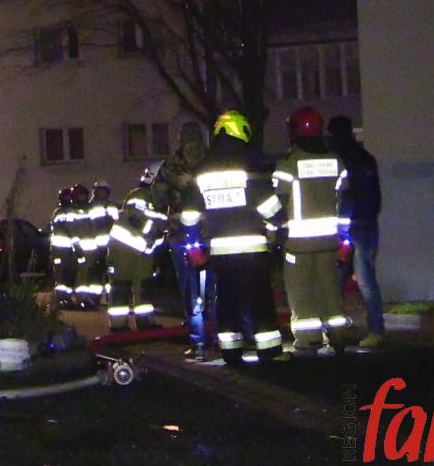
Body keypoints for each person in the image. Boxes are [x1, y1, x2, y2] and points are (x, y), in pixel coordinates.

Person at [180, 111, 284, 365]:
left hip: (220, 251)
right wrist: (278, 227)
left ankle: (230, 351)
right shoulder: (249, 165)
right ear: (241, 131)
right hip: (253, 248)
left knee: (227, 300)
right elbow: (270, 208)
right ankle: (269, 350)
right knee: (259, 299)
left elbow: (189, 216)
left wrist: (194, 247)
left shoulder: (201, 169)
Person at [272, 106, 352, 357]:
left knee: (301, 292)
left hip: (299, 245)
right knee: (330, 289)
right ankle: (337, 335)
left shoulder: (289, 164)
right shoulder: (336, 162)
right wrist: (344, 237)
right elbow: (344, 201)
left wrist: (269, 225)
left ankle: (309, 339)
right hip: (329, 242)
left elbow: (278, 202)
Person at [151, 122, 216, 361]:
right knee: (214, 290)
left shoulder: (171, 166)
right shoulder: (213, 161)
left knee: (191, 292)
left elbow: (157, 198)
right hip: (213, 235)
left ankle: (198, 343)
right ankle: (220, 337)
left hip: (182, 236)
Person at [327, 115, 385, 349]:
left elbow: (345, 198)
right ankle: (376, 330)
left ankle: (334, 333)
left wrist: (342, 234)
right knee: (366, 280)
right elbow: (375, 197)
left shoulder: (340, 160)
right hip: (367, 226)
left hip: (348, 230)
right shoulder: (366, 158)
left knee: (336, 282)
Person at [106, 161, 167, 332]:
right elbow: (135, 218)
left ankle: (145, 321)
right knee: (121, 285)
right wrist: (155, 232)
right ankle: (118, 325)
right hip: (124, 247)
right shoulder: (139, 195)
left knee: (144, 285)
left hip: (144, 249)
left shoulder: (161, 199)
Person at [68, 183, 100, 309]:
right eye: (80, 196)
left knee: (89, 276)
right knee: (82, 276)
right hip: (81, 250)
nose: (83, 198)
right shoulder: (72, 212)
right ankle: (80, 299)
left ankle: (86, 299)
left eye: (84, 195)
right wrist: (77, 248)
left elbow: (95, 229)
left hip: (91, 250)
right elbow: (73, 232)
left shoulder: (90, 210)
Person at [87, 180, 119, 301]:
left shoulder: (112, 207)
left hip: (111, 247)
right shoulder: (90, 207)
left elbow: (118, 224)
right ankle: (94, 298)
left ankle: (111, 298)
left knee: (111, 272)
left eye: (104, 191)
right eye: (99, 191)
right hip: (95, 247)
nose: (102, 193)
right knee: (95, 273)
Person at [49, 187, 76, 307]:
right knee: (61, 276)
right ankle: (61, 299)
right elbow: (71, 230)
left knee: (66, 276)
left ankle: (65, 299)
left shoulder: (58, 212)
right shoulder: (62, 213)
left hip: (63, 250)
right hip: (62, 250)